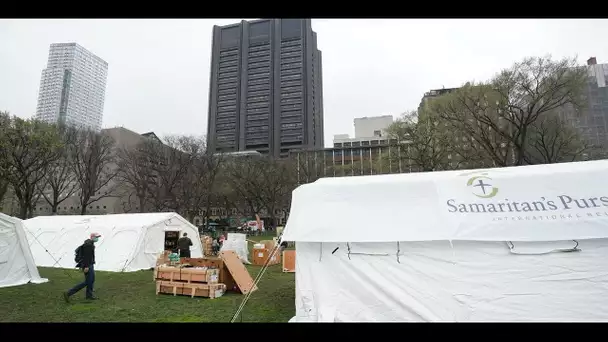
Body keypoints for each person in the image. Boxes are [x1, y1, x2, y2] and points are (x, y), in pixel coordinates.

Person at [63, 232, 101, 302]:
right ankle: (68, 293)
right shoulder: (88, 245)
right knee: (87, 281)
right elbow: (86, 257)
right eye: (96, 237)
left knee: (91, 280)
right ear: (92, 237)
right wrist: (86, 266)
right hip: (88, 265)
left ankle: (89, 295)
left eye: (98, 237)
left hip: (90, 264)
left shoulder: (90, 244)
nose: (97, 238)